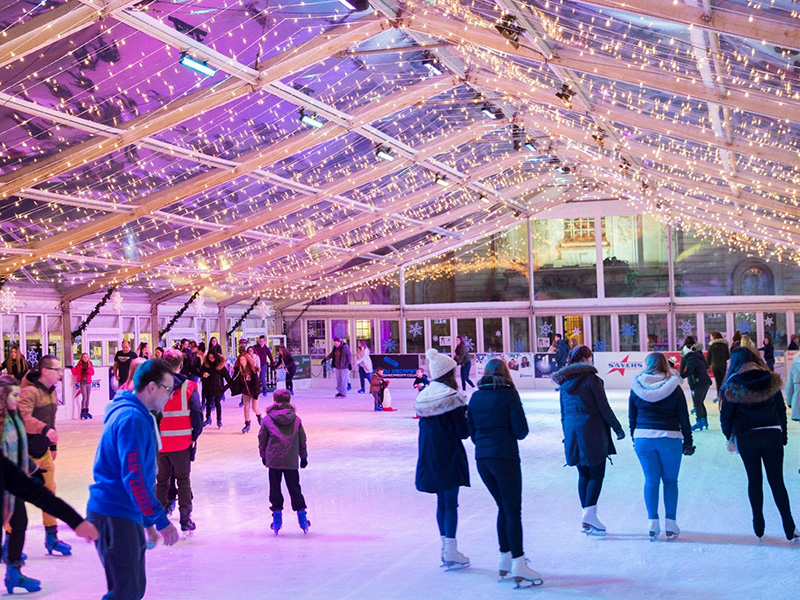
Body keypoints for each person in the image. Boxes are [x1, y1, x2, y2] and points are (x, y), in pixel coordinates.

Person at [87, 359, 180, 600]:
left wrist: (146, 522)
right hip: (113, 513)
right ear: (151, 387)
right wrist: (160, 520)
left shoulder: (135, 414)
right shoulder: (132, 419)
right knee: (126, 592)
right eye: (167, 389)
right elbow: (134, 478)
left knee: (131, 589)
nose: (170, 396)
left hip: (122, 513)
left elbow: (138, 477)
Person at [0, 376, 98, 594]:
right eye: (14, 396)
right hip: (10, 484)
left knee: (20, 521)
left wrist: (31, 471)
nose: (19, 400)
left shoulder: (14, 419)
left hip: (13, 482)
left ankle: (13, 571)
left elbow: (18, 458)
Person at [467, 359, 543, 587]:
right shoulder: (508, 395)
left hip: (483, 460)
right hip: (505, 458)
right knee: (512, 510)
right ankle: (518, 561)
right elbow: (521, 432)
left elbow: (470, 431)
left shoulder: (476, 396)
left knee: (503, 507)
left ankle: (505, 558)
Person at [720, 347, 799, 541]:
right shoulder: (770, 379)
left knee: (754, 480)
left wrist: (730, 437)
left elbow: (726, 417)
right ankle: (789, 526)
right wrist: (783, 435)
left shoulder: (733, 383)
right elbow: (781, 410)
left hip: (747, 438)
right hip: (772, 434)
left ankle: (758, 524)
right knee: (777, 482)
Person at [552, 345, 625, 535]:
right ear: (585, 358)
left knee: (583, 474)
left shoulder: (564, 383)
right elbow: (604, 408)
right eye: (589, 357)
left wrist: (566, 434)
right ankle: (590, 514)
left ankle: (586, 517)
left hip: (572, 432)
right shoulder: (592, 380)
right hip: (591, 431)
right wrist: (618, 428)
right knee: (596, 473)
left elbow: (563, 414)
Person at [414, 348, 470, 570]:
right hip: (449, 454)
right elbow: (463, 431)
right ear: (449, 374)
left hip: (429, 454)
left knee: (441, 502)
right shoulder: (452, 397)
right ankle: (451, 550)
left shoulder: (424, 396)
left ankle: (445, 547)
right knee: (451, 503)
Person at [629, 353, 694, 540]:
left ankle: (652, 523)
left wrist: (635, 437)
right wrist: (688, 441)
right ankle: (671, 524)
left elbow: (632, 415)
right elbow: (683, 416)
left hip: (643, 437)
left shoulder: (637, 386)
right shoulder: (674, 387)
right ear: (665, 364)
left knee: (651, 481)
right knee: (670, 481)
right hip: (669, 437)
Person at [19, 355, 73, 555]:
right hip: (24, 455)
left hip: (43, 453)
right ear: (44, 371)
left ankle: (51, 537)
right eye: (56, 369)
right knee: (16, 498)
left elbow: (51, 422)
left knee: (49, 494)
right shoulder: (29, 392)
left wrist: (53, 445)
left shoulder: (51, 393)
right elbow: (23, 418)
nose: (60, 373)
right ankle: (9, 542)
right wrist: (44, 430)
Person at [156, 350, 203, 535]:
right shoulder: (189, 387)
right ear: (181, 365)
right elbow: (197, 414)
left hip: (160, 443)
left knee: (161, 482)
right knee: (183, 481)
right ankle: (185, 520)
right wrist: (194, 436)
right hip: (182, 443)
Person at [258, 389, 309, 535]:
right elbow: (302, 439)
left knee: (275, 487)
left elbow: (262, 439)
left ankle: (277, 515)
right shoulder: (296, 419)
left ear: (274, 401)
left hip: (274, 459)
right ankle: (301, 514)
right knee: (294, 487)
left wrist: (263, 455)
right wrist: (303, 456)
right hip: (291, 459)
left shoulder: (267, 419)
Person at [679, 341, 712, 431]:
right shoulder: (697, 357)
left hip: (699, 383)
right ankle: (704, 421)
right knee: (700, 403)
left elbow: (689, 371)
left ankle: (699, 423)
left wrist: (680, 376)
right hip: (705, 382)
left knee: (697, 403)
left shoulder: (691, 359)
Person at [200, 351, 232, 428]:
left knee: (217, 403)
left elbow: (229, 379)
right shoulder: (206, 365)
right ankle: (208, 418)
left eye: (213, 357)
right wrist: (203, 374)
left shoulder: (220, 366)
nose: (211, 359)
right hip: (208, 387)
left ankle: (219, 419)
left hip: (218, 388)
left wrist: (224, 388)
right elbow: (200, 372)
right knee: (208, 403)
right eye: (210, 357)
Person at [232, 353, 261, 434]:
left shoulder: (252, 370)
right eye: (240, 360)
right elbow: (233, 379)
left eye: (243, 359)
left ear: (247, 360)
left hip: (254, 391)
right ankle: (247, 424)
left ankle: (259, 416)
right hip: (245, 392)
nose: (242, 361)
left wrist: (256, 392)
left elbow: (256, 382)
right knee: (246, 407)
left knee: (255, 408)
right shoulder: (239, 370)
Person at [706, 331, 730, 402]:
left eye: (710, 336)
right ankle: (724, 395)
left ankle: (719, 396)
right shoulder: (725, 345)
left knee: (718, 381)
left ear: (714, 336)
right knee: (723, 381)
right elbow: (727, 356)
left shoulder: (711, 345)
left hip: (715, 365)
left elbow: (708, 357)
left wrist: (707, 366)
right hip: (723, 365)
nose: (710, 338)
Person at [71, 352, 95, 419]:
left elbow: (92, 372)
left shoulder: (90, 364)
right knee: (84, 397)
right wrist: (72, 368)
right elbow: (75, 372)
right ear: (82, 358)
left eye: (86, 357)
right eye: (84, 357)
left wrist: (87, 370)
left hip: (88, 382)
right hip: (83, 382)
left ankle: (86, 410)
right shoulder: (79, 365)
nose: (85, 358)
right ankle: (82, 411)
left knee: (88, 397)